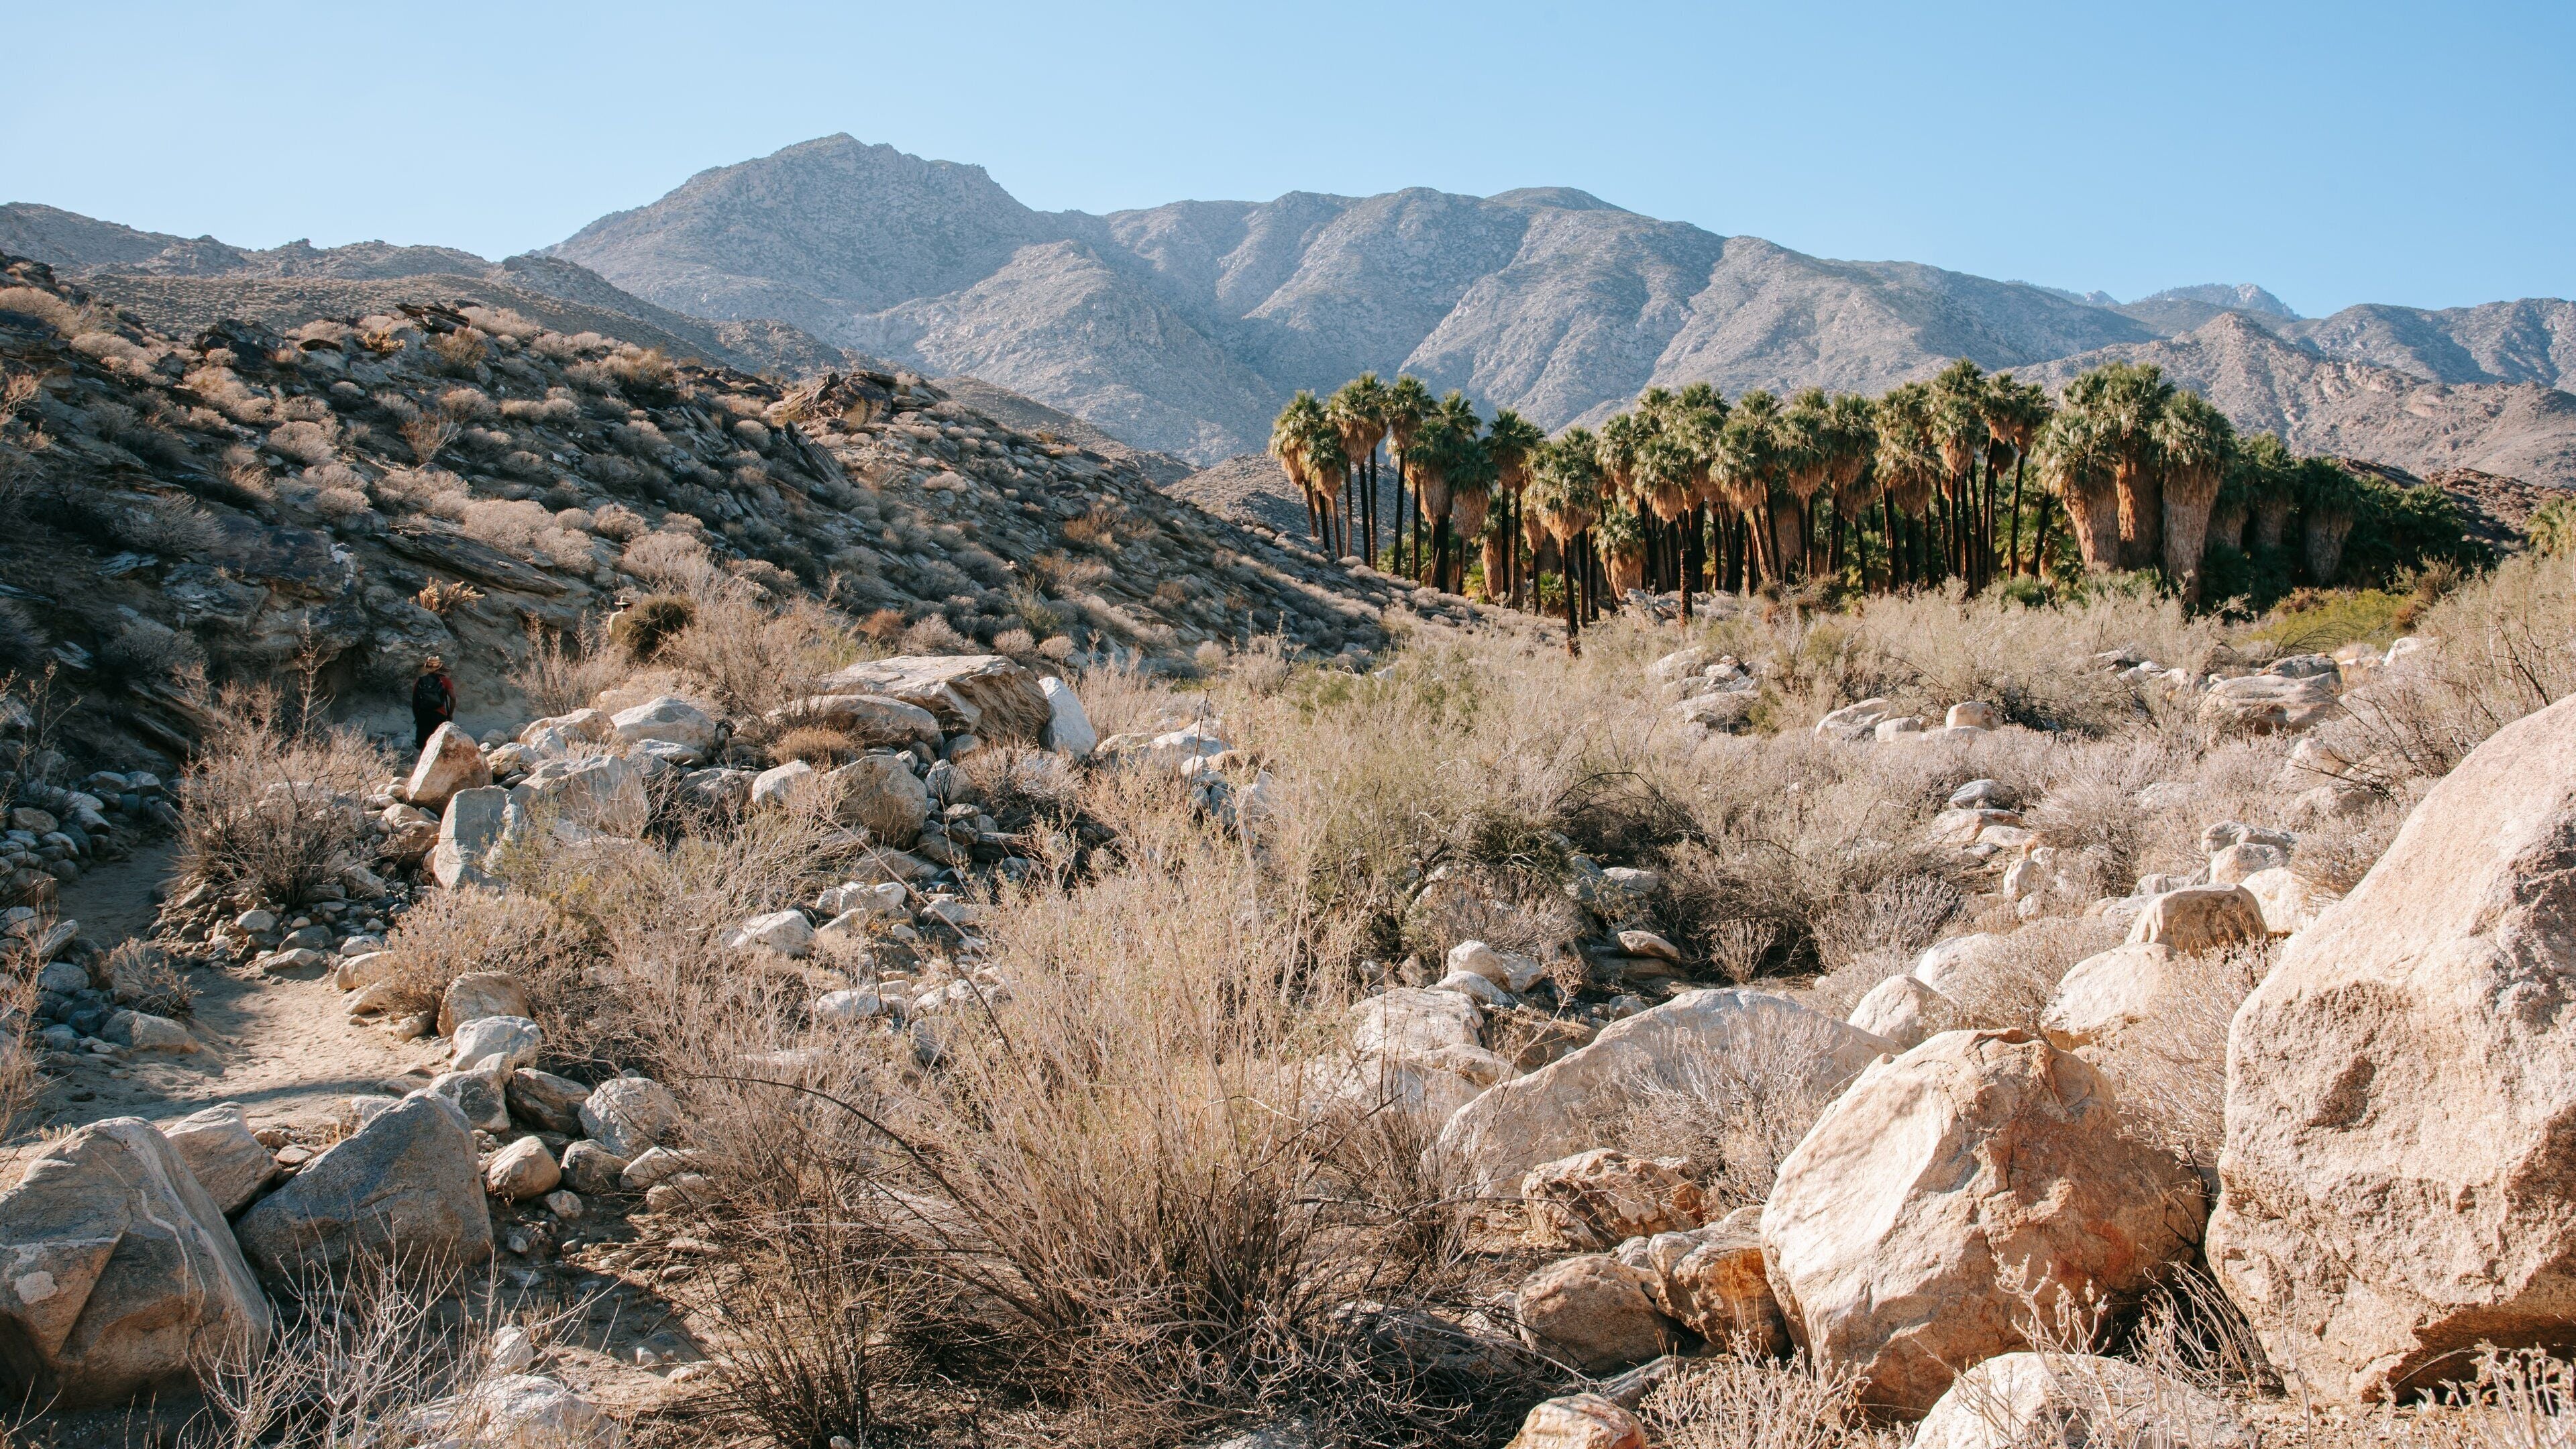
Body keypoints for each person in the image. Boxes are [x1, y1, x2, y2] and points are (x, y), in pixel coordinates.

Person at [411, 655, 455, 750]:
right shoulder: (445, 681)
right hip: (440, 714)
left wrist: (417, 717)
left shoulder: (420, 681)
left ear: (427, 667)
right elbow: (453, 698)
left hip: (423, 715)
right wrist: (450, 714)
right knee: (439, 743)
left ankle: (423, 762)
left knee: (423, 745)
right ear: (440, 667)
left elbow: (415, 701)